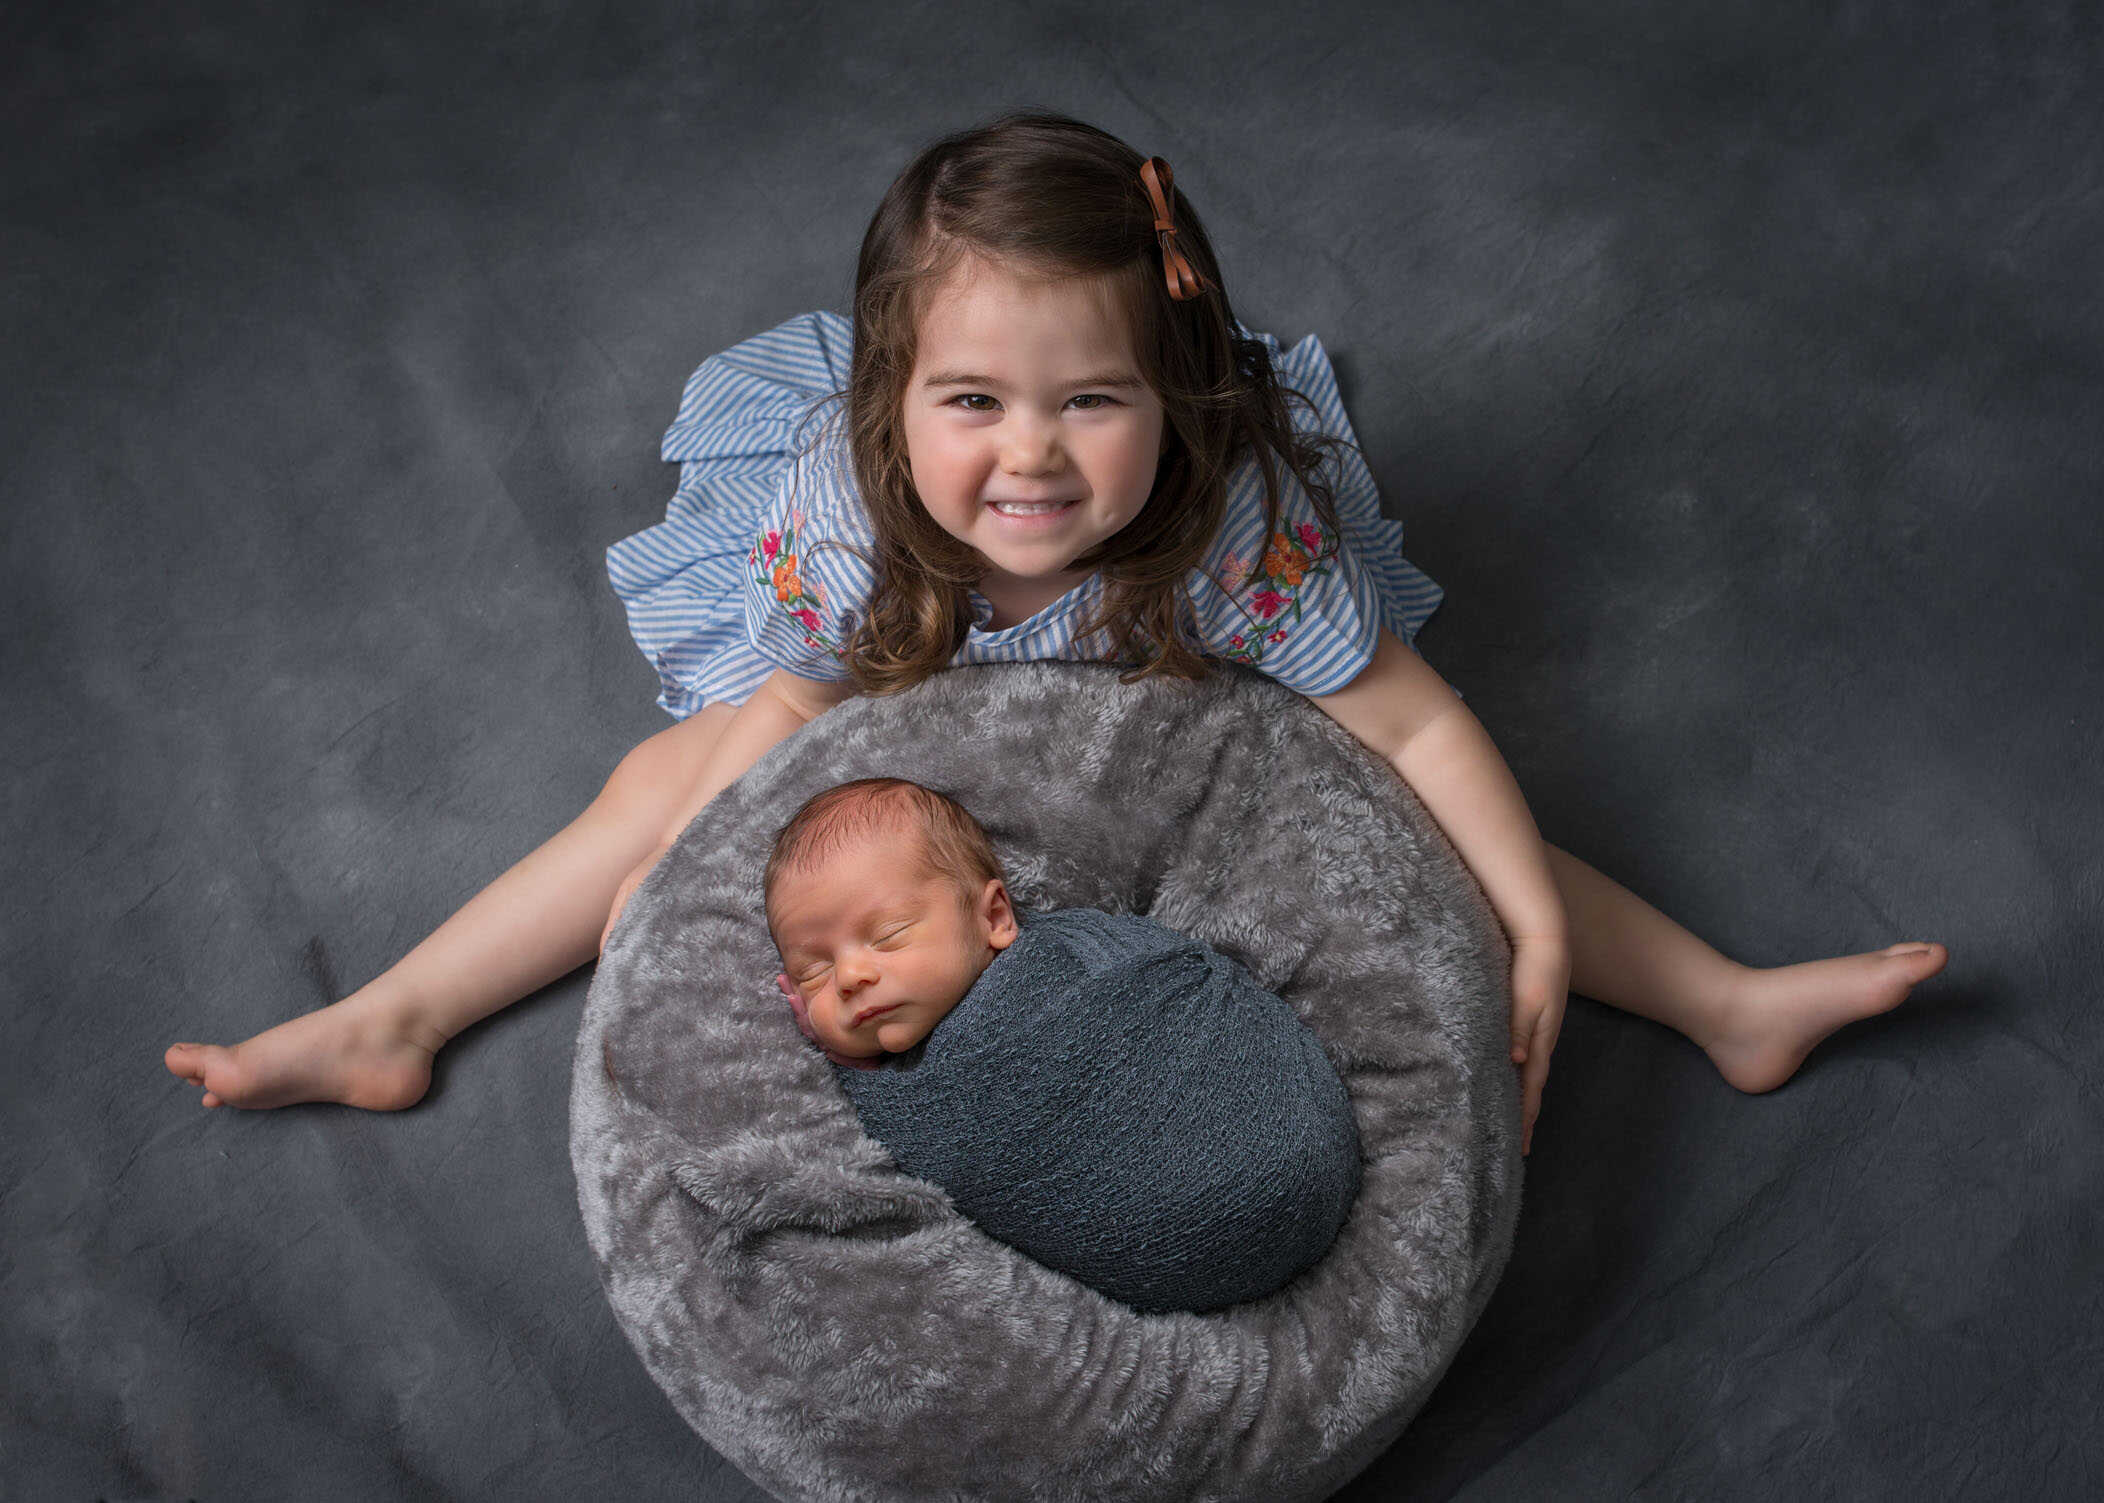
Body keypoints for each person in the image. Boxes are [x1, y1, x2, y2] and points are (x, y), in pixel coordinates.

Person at [165, 110, 1948, 1155]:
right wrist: (691, 865)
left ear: (1169, 389)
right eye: (968, 401)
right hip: (899, 674)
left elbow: (1407, 723)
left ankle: (1717, 995)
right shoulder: (857, 505)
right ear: (889, 390)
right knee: (653, 784)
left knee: (1434, 823)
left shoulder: (1220, 515)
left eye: (1089, 399)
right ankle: (397, 1007)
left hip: (1154, 685)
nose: (1026, 459)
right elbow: (785, 698)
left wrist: (1530, 910)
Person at [761, 776, 1363, 1314]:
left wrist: (861, 1069)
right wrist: (856, 1066)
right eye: (813, 972)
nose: (849, 977)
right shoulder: (912, 1089)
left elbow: (1170, 968)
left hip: (1288, 1145)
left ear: (995, 918)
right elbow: (936, 1142)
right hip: (1178, 1247)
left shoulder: (1069, 951)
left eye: (888, 934)